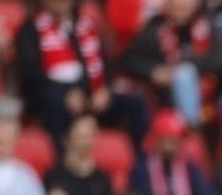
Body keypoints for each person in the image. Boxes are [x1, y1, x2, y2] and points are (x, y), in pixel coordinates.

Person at [15, 0, 146, 144]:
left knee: (136, 105)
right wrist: (66, 92)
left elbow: (107, 63)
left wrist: (104, 89)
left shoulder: (85, 28)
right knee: (54, 103)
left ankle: (135, 153)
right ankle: (59, 153)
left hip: (90, 96)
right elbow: (31, 73)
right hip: (51, 93)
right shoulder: (30, 29)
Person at [119, 0, 222, 128]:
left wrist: (182, 67)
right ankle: (191, 127)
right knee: (182, 76)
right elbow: (129, 59)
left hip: (209, 94)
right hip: (167, 97)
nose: (182, 5)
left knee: (184, 73)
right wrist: (153, 71)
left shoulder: (205, 26)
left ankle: (193, 127)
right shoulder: (155, 28)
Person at [42, 114, 117, 195]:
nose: (87, 142)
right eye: (81, 137)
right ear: (66, 140)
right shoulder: (53, 176)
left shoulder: (102, 177)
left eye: (90, 137)